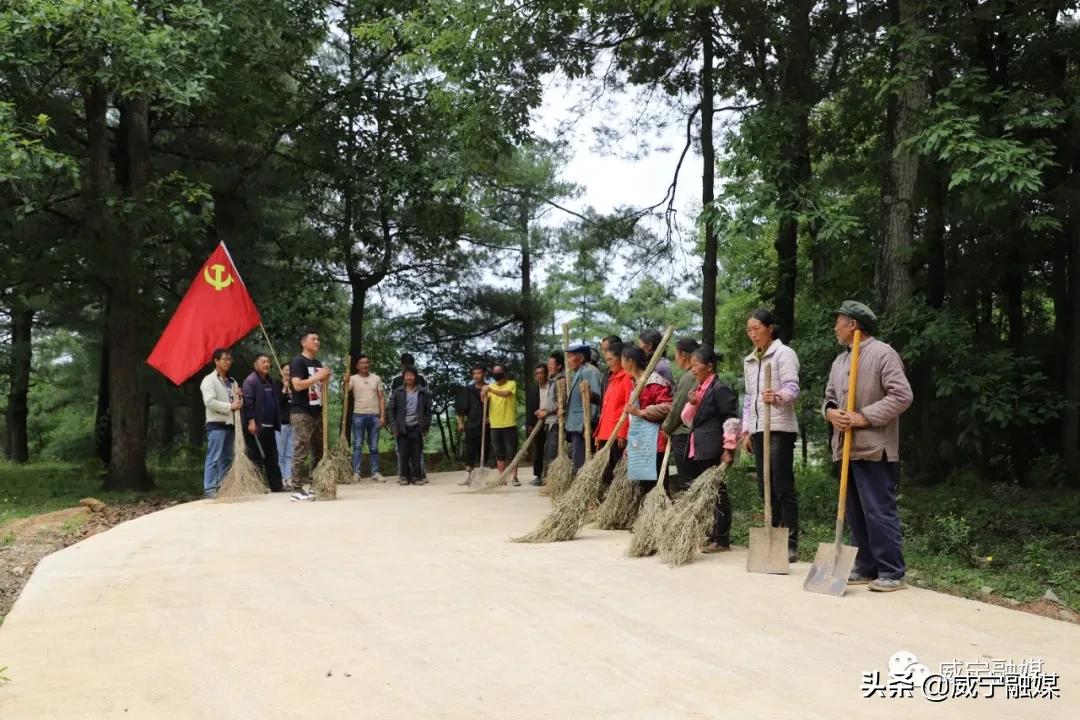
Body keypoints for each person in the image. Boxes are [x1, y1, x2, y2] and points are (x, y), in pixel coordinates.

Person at [823, 301, 913, 592]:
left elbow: (902, 396)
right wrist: (831, 412)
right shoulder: (840, 361)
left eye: (838, 320)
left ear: (852, 324)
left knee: (877, 510)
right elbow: (829, 397)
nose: (835, 326)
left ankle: (892, 571)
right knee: (855, 511)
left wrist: (864, 417)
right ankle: (865, 566)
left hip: (875, 448)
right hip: (845, 448)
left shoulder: (883, 354)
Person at [741, 308, 801, 563]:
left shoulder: (784, 354)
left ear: (770, 329)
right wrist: (746, 429)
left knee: (781, 485)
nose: (752, 334)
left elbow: (793, 387)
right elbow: (749, 398)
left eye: (757, 329)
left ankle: (791, 542)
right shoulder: (750, 360)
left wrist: (777, 397)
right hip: (758, 428)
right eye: (749, 330)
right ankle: (772, 536)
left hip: (779, 426)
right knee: (764, 486)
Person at [679, 347, 739, 553]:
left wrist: (728, 447)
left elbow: (730, 417)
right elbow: (688, 420)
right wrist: (692, 402)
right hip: (699, 446)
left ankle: (721, 539)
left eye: (696, 365)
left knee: (717, 492)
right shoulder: (700, 389)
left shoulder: (719, 388)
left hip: (713, 446)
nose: (693, 369)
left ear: (709, 366)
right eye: (692, 365)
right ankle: (711, 534)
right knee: (707, 492)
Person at [621, 345, 673, 494]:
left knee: (656, 488)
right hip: (639, 443)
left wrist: (641, 412)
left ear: (630, 361)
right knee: (641, 488)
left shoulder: (654, 381)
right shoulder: (635, 383)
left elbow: (668, 407)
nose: (621, 363)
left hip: (655, 443)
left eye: (622, 360)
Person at [288, 330, 331, 501]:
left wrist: (325, 379)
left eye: (318, 339)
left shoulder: (318, 362)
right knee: (301, 449)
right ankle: (296, 489)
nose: (317, 341)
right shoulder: (298, 361)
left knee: (318, 450)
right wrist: (318, 376)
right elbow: (297, 385)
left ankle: (314, 484)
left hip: (316, 411)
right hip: (301, 411)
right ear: (303, 342)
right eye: (314, 339)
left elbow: (317, 385)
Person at [200, 348, 242, 499]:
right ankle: (210, 488)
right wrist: (230, 407)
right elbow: (209, 402)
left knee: (227, 458)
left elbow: (236, 403)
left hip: (230, 424)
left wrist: (238, 399)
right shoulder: (209, 380)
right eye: (224, 359)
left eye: (230, 359)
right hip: (216, 424)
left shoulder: (232, 381)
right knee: (214, 457)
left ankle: (224, 486)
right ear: (216, 361)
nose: (228, 362)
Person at [660, 337, 700, 496]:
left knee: (687, 480)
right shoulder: (695, 374)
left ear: (683, 354)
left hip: (683, 432)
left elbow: (677, 407)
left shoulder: (688, 376)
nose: (675, 358)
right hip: (692, 433)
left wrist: (666, 427)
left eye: (675, 354)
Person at [241, 354, 284, 492]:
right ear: (255, 365)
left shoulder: (270, 381)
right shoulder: (250, 381)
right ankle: (256, 487)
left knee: (272, 458)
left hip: (270, 427)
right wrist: (251, 422)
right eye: (263, 362)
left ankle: (276, 486)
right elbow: (248, 403)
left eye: (268, 362)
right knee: (256, 458)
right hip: (256, 427)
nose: (266, 364)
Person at [595, 340, 631, 495]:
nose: (608, 364)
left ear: (621, 358)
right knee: (605, 472)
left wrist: (623, 432)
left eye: (611, 359)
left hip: (616, 434)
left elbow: (628, 407)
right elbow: (606, 408)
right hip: (606, 432)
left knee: (615, 471)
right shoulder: (612, 378)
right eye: (606, 360)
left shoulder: (627, 378)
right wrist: (598, 433)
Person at [390, 368, 433, 485]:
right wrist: (394, 427)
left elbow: (428, 412)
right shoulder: (398, 392)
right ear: (404, 377)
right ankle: (404, 477)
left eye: (411, 375)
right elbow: (392, 411)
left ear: (416, 377)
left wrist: (425, 427)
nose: (409, 377)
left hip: (417, 427)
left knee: (416, 453)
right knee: (403, 453)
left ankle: (417, 477)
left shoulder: (423, 393)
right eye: (407, 375)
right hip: (402, 428)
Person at [564, 344, 603, 472]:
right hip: (578, 425)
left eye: (570, 357)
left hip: (584, 426)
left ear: (580, 358)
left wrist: (589, 423)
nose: (568, 361)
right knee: (578, 461)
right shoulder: (580, 372)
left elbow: (595, 399)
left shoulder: (589, 371)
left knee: (581, 463)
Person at [349, 354, 386, 483]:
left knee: (374, 446)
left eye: (367, 362)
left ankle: (375, 472)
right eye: (362, 363)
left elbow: (381, 397)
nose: (365, 365)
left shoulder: (376, 378)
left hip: (374, 416)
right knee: (358, 445)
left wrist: (382, 416)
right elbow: (345, 392)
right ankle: (356, 473)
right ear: (357, 366)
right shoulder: (352, 379)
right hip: (358, 415)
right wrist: (344, 381)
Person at [483, 364, 520, 485]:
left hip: (509, 423)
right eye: (494, 372)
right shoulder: (491, 386)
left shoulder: (511, 383)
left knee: (511, 452)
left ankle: (514, 477)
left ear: (504, 373)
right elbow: (483, 400)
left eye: (499, 371)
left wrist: (490, 390)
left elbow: (506, 394)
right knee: (499, 453)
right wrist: (483, 392)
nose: (496, 373)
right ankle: (502, 478)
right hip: (495, 425)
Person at [455, 365, 488, 486]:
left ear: (484, 374)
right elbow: (461, 408)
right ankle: (467, 476)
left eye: (479, 373)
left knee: (484, 450)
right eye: (474, 373)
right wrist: (460, 422)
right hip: (471, 423)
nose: (476, 376)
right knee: (470, 450)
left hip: (486, 424)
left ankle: (480, 475)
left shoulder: (490, 388)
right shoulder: (467, 390)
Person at [526, 364, 551, 486]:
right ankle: (538, 475)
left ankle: (550, 475)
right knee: (538, 449)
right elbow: (530, 407)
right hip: (538, 423)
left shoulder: (552, 386)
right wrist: (529, 425)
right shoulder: (533, 389)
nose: (539, 375)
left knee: (551, 449)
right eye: (537, 373)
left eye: (541, 373)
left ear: (546, 374)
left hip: (552, 421)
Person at [541, 352, 566, 471]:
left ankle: (553, 478)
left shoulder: (561, 381)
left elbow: (561, 402)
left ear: (559, 366)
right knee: (548, 451)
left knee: (552, 452)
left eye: (551, 364)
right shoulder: (554, 381)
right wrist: (544, 410)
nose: (548, 366)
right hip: (551, 422)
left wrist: (546, 412)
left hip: (557, 423)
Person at [275, 363, 294, 488]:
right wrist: (284, 389)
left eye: (290, 370)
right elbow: (277, 403)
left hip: (293, 424)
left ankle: (289, 478)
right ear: (281, 371)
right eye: (286, 370)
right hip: (281, 424)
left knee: (290, 454)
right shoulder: (276, 385)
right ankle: (281, 478)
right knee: (280, 454)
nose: (288, 372)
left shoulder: (294, 386)